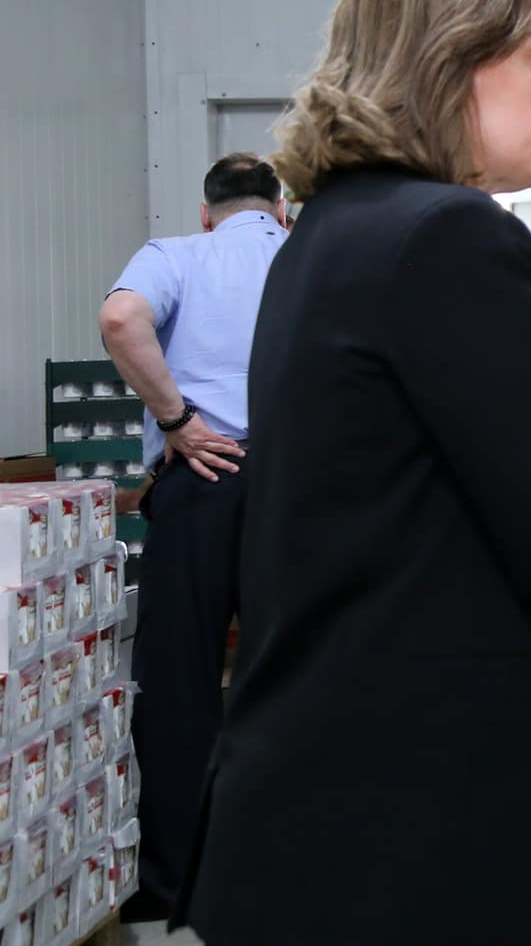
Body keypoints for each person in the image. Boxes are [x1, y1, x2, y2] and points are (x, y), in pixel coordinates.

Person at [174, 0, 531, 945]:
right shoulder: (447, 236)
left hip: (343, 801)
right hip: (441, 820)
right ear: (451, 61)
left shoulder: (332, 234)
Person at [98, 151, 288, 919]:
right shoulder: (308, 255)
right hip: (298, 488)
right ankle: (297, 870)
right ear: (280, 209)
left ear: (207, 214)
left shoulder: (176, 254)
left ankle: (180, 882)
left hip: (202, 476)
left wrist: (177, 419)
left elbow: (121, 318)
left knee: (179, 681)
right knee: (300, 675)